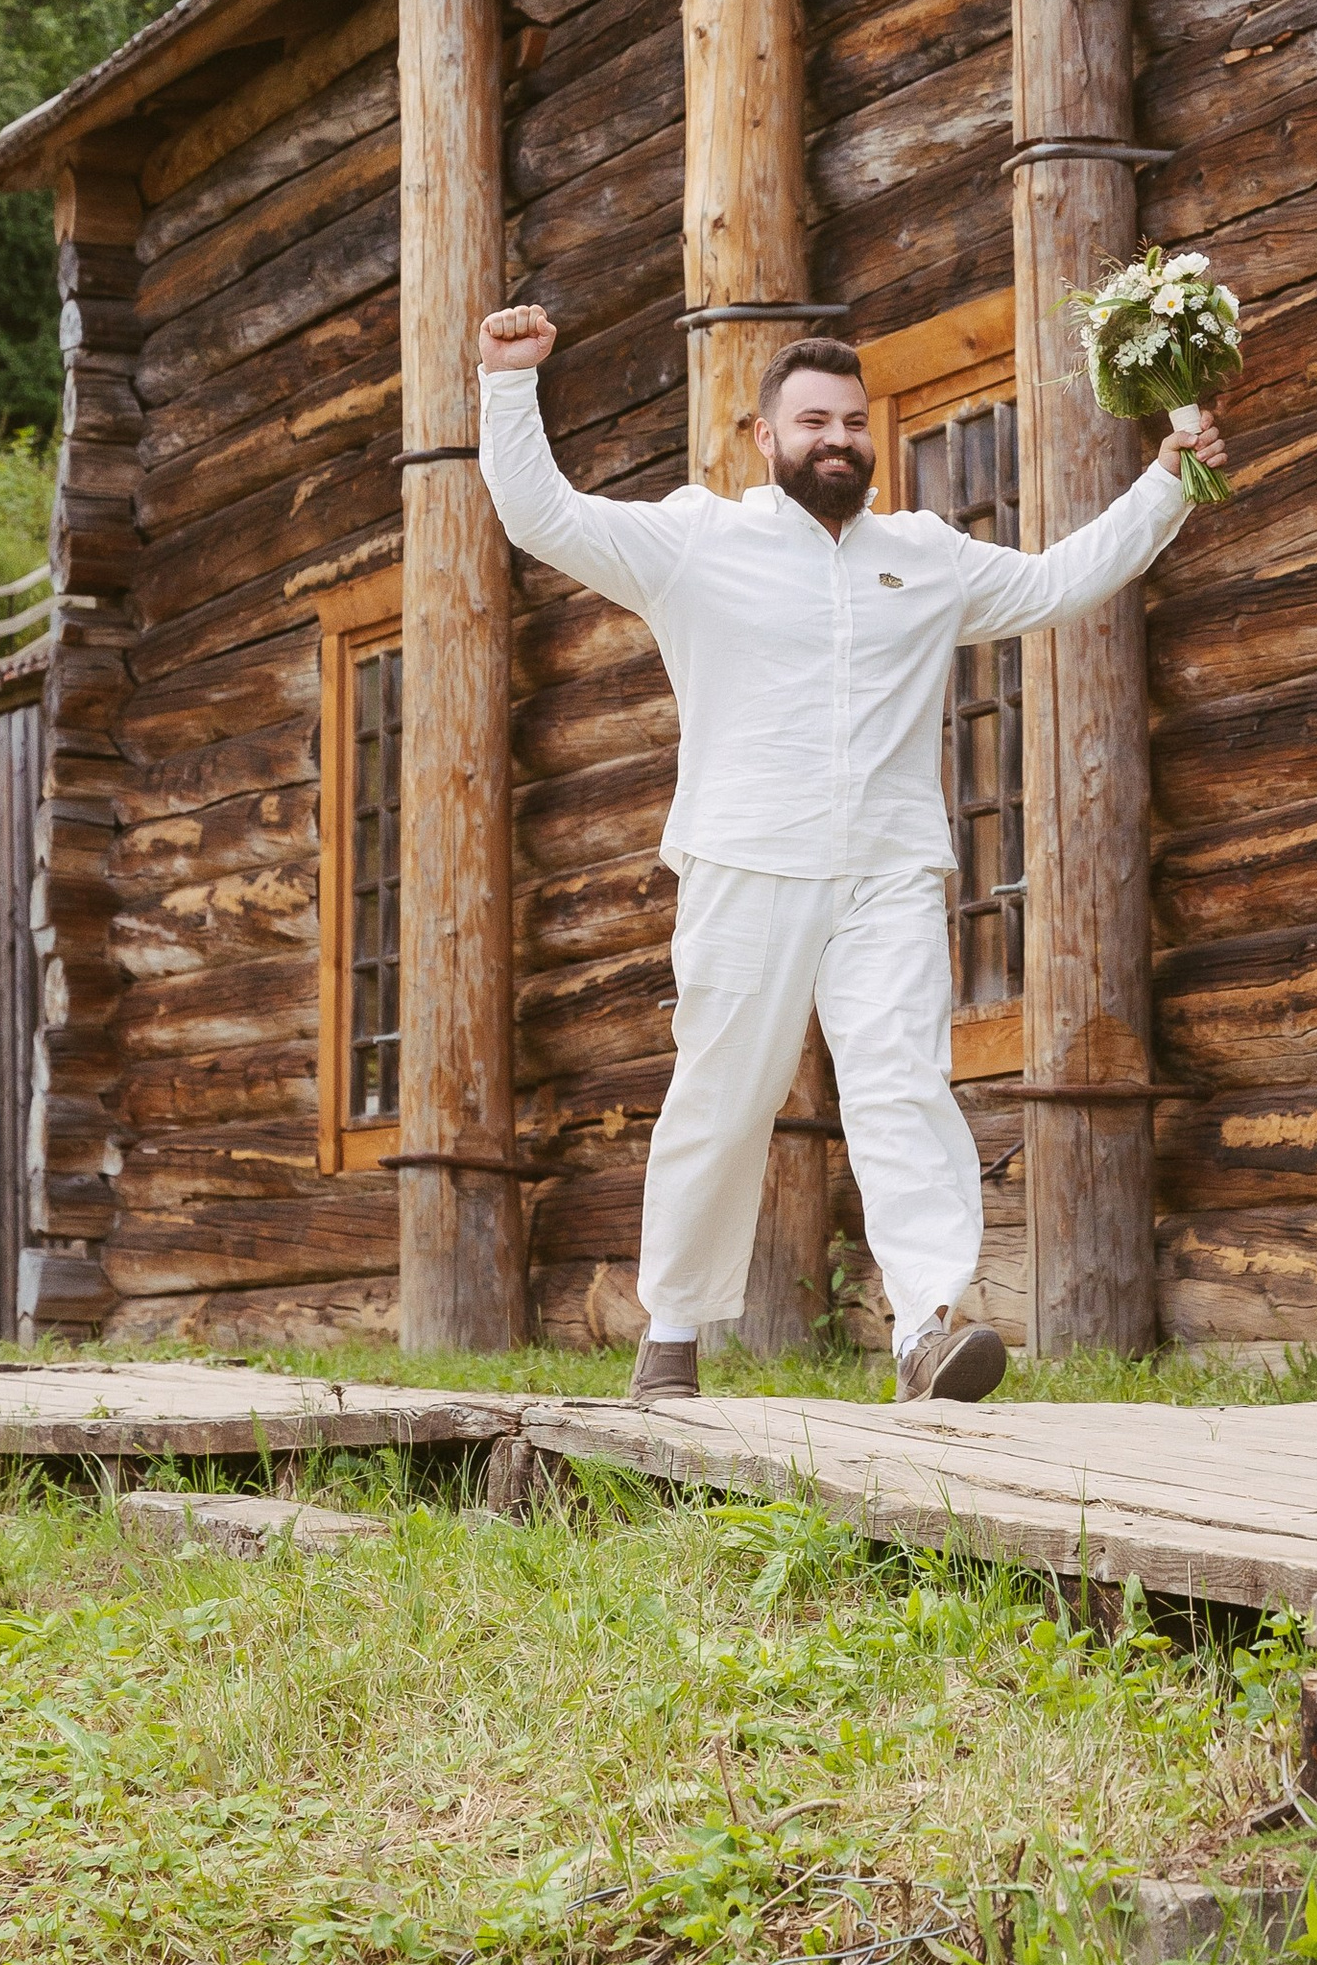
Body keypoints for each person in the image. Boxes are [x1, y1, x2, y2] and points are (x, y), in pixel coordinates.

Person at [476, 308, 1228, 1406]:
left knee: (902, 1087)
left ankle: (927, 1327)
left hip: (887, 871)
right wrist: (507, 384)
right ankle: (673, 1335)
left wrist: (1165, 483)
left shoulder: (923, 558)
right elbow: (541, 515)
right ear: (763, 439)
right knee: (722, 1100)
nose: (836, 436)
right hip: (745, 864)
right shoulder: (694, 541)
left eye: (851, 420)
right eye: (811, 420)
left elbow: (1060, 581)